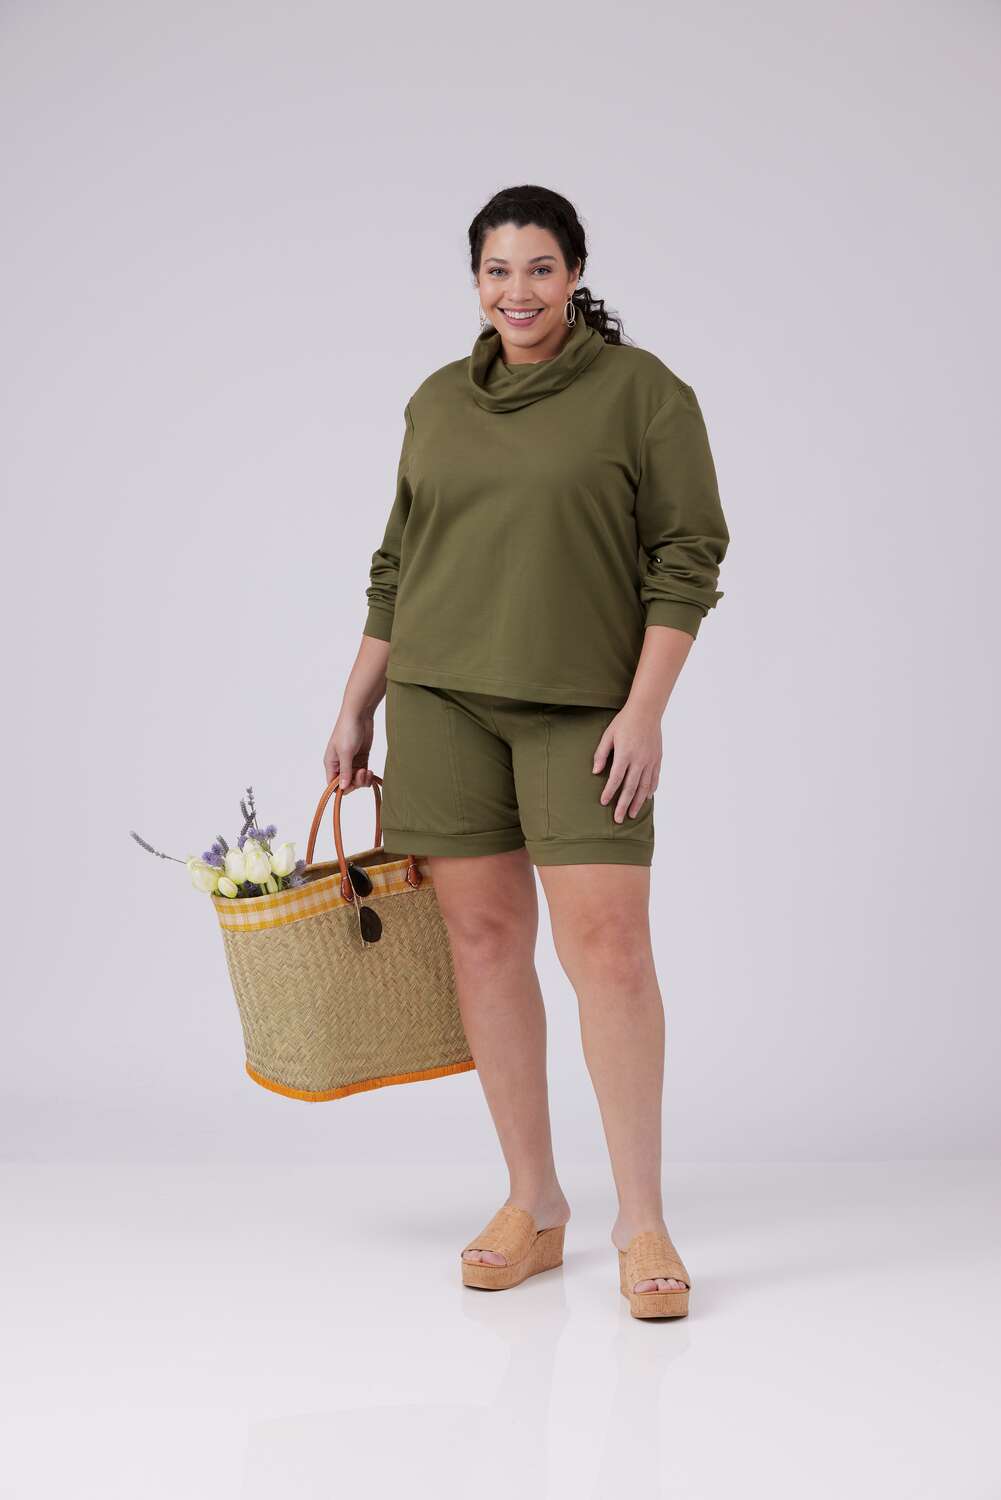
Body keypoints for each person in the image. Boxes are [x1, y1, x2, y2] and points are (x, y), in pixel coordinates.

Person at [323, 184, 730, 1319]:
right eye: (497, 271)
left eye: (540, 268)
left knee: (610, 955)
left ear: (575, 274)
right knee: (484, 943)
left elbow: (686, 557)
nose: (518, 291)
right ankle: (534, 1201)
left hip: (585, 710)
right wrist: (357, 705)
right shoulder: (435, 402)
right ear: (475, 281)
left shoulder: (643, 394)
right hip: (439, 701)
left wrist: (644, 711)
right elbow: (398, 565)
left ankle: (640, 1221)